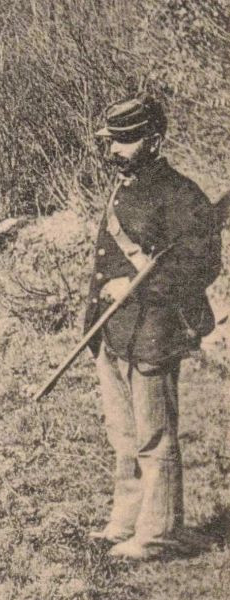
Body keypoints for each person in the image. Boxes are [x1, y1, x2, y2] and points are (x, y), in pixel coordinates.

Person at [84, 96, 221, 560]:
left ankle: (158, 532)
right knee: (123, 435)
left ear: (155, 140)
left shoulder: (179, 193)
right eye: (112, 140)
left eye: (126, 140)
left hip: (154, 331)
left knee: (154, 437)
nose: (115, 150)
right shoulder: (124, 185)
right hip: (113, 330)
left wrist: (138, 285)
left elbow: (201, 264)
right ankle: (126, 522)